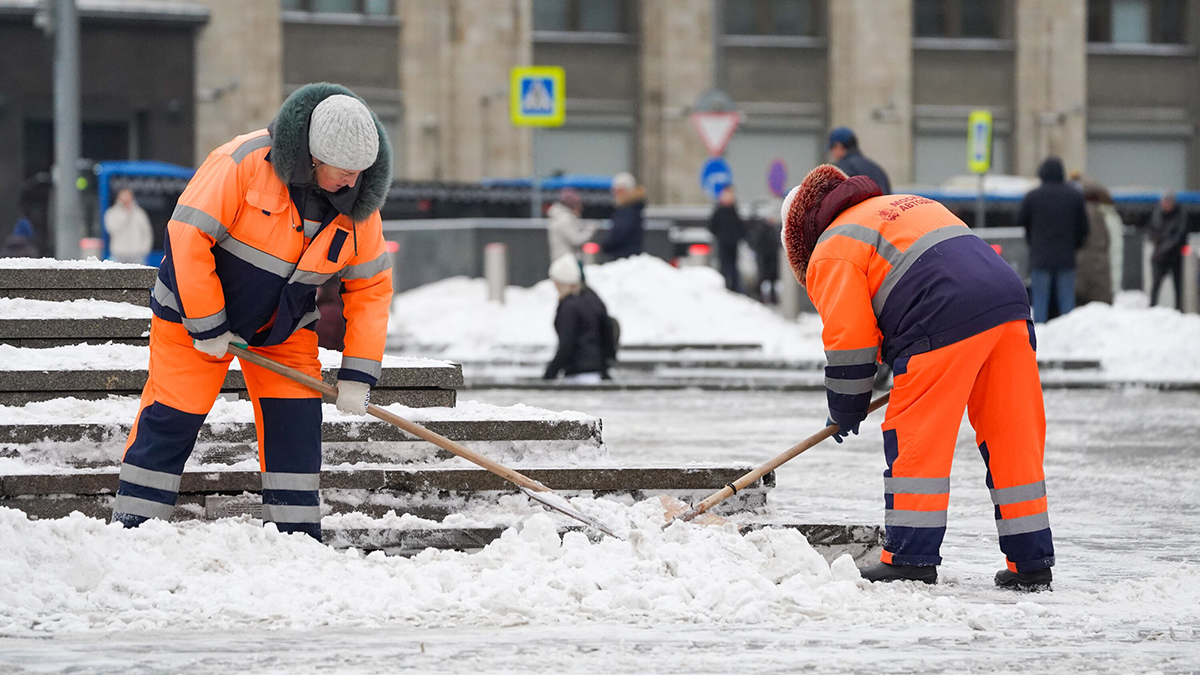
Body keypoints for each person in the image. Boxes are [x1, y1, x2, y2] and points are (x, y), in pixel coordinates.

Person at [110, 84, 395, 541]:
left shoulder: (360, 210)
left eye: (361, 173)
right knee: (172, 418)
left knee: (296, 427)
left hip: (281, 329)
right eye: (343, 172)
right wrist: (207, 322)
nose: (352, 183)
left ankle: (297, 543)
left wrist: (358, 374)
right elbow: (186, 236)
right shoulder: (243, 162)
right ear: (314, 157)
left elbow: (371, 288)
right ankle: (132, 533)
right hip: (191, 318)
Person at [780, 164, 1054, 591]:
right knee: (1012, 434)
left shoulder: (832, 246)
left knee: (917, 435)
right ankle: (1031, 562)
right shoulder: (900, 205)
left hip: (940, 315)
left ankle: (910, 557)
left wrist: (846, 406)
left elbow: (849, 338)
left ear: (800, 237)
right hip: (1008, 304)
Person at [1015, 157, 1089, 323]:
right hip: (1066, 257)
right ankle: (1070, 336)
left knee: (1040, 302)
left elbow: (1020, 220)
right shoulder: (1074, 195)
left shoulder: (1033, 196)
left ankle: (1040, 338)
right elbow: (1084, 228)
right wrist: (1074, 246)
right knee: (1066, 302)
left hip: (1040, 257)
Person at [544, 254, 615, 383]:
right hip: (597, 372)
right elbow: (609, 327)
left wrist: (549, 374)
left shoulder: (568, 307)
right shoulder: (594, 299)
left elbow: (567, 344)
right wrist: (606, 363)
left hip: (576, 373)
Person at [1075, 179, 1114, 306]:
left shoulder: (1075, 210)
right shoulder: (1105, 213)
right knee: (1100, 307)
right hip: (1100, 265)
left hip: (1079, 263)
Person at [1148, 191, 1188, 310]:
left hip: (1175, 256)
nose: (1165, 205)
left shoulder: (1180, 216)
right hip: (1159, 256)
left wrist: (1164, 248)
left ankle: (1179, 309)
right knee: (1156, 284)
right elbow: (1151, 230)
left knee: (1178, 285)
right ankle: (1152, 307)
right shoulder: (1157, 215)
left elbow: (1179, 236)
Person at [827, 126, 891, 195]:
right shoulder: (875, 168)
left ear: (839, 146)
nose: (832, 153)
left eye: (832, 149)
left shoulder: (842, 169)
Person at [709, 185, 745, 292]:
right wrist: (721, 236)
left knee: (733, 267)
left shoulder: (734, 210)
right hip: (723, 243)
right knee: (724, 266)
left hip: (733, 244)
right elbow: (712, 226)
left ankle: (734, 289)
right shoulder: (719, 211)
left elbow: (740, 227)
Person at [103, 188, 154, 264]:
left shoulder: (139, 213)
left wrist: (144, 250)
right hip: (118, 253)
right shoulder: (112, 213)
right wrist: (125, 215)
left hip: (136, 253)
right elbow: (111, 230)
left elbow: (147, 232)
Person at [601, 172, 644, 260]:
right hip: (628, 255)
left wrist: (606, 245)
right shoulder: (632, 207)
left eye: (616, 190)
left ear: (624, 190)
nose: (614, 193)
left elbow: (620, 232)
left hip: (624, 256)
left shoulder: (627, 209)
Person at [547, 188, 596, 261]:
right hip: (567, 261)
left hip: (562, 260)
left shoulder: (560, 217)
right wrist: (589, 230)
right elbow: (576, 240)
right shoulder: (565, 219)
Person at [749, 201, 781, 304]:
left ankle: (771, 296)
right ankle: (760, 296)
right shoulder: (762, 227)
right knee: (763, 276)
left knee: (772, 277)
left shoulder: (774, 227)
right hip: (764, 255)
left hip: (771, 255)